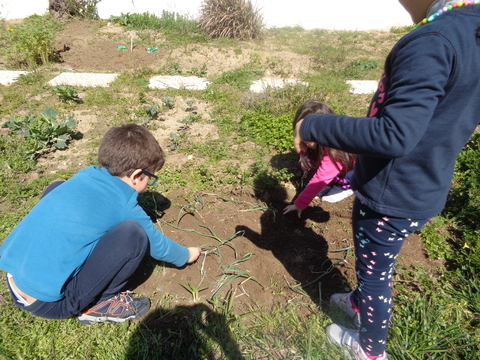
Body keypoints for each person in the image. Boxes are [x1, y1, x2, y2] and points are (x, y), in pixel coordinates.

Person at [294, 1, 480, 359]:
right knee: (376, 265)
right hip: (426, 183)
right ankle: (357, 300)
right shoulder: (470, 30)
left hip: (393, 194)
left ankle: (369, 349)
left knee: (376, 275)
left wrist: (312, 125)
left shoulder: (434, 41)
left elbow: (394, 134)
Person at [0, 124, 201, 324]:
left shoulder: (85, 174)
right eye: (151, 178)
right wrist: (187, 255)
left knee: (57, 187)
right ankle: (101, 304)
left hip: (14, 276)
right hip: (50, 303)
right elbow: (159, 247)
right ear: (136, 175)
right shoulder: (124, 204)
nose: (149, 183)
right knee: (133, 235)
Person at [283, 100, 355, 218]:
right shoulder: (321, 142)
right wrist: (303, 155)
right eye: (303, 137)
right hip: (332, 167)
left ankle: (346, 187)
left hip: (353, 170)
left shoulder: (335, 150)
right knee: (319, 169)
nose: (305, 142)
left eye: (309, 138)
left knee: (336, 183)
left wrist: (300, 203)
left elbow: (321, 177)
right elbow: (298, 142)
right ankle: (330, 182)